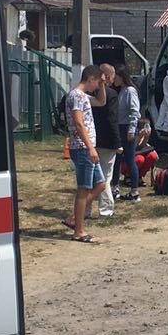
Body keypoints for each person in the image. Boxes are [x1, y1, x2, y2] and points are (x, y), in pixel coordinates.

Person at [64, 65, 105, 243]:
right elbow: (79, 123)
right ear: (90, 79)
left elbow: (102, 102)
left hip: (86, 147)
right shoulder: (77, 96)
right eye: (96, 83)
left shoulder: (82, 96)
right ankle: (78, 231)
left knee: (101, 184)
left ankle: (74, 218)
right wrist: (90, 147)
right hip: (82, 148)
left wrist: (103, 84)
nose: (96, 87)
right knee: (83, 190)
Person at [90, 62, 118, 219]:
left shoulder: (90, 93)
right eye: (112, 76)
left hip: (92, 139)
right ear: (107, 77)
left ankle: (86, 210)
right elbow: (111, 120)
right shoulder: (111, 94)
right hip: (107, 140)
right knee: (106, 176)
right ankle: (106, 210)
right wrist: (117, 142)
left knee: (90, 177)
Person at [114, 65, 143, 200]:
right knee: (117, 158)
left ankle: (134, 191)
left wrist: (131, 129)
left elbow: (134, 111)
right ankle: (114, 186)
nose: (114, 79)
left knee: (130, 159)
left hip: (127, 128)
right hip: (120, 127)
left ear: (122, 77)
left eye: (116, 77)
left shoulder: (130, 91)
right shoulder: (121, 90)